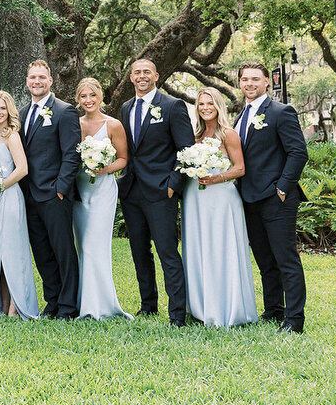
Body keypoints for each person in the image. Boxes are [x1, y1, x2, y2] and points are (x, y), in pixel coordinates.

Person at [118, 58, 195, 327]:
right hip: (132, 192)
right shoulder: (126, 107)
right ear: (130, 78)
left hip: (162, 191)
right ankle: (148, 305)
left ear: (156, 76)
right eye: (137, 73)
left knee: (167, 253)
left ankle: (177, 313)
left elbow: (186, 151)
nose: (141, 76)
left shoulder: (173, 106)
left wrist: (173, 184)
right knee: (140, 252)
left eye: (146, 72)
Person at [235, 62, 308, 334]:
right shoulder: (240, 116)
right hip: (249, 199)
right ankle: (273, 310)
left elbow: (298, 152)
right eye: (245, 79)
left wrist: (283, 187)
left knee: (286, 259)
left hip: (277, 199)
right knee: (265, 260)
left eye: (255, 79)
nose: (249, 83)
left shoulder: (280, 112)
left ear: (267, 82)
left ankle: (294, 319)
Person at [182, 86, 256, 328]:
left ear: (218, 106)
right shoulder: (194, 135)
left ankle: (227, 307)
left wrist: (214, 178)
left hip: (221, 198)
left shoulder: (228, 134)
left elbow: (239, 168)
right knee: (199, 247)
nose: (205, 108)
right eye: (201, 104)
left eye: (210, 104)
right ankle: (200, 307)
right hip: (195, 197)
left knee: (221, 249)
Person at [20, 59, 81, 320]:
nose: (37, 81)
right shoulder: (21, 113)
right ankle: (52, 302)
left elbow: (71, 154)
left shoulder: (64, 111)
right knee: (42, 253)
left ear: (50, 81)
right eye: (33, 77)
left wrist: (61, 188)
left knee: (63, 252)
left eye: (42, 77)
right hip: (29, 195)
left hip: (54, 195)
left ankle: (68, 306)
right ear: (27, 81)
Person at [0, 90, 38, 319]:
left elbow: (22, 169)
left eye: (3, 108)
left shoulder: (12, 135)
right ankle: (2, 303)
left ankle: (16, 304)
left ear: (9, 110)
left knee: (12, 252)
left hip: (9, 198)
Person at [73, 78, 130, 320]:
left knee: (95, 246)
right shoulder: (74, 124)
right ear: (78, 99)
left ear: (100, 98)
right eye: (84, 96)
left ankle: (99, 305)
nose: (88, 101)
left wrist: (104, 168)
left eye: (92, 96)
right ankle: (81, 300)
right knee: (81, 246)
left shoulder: (113, 124)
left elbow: (123, 159)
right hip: (79, 190)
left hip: (103, 190)